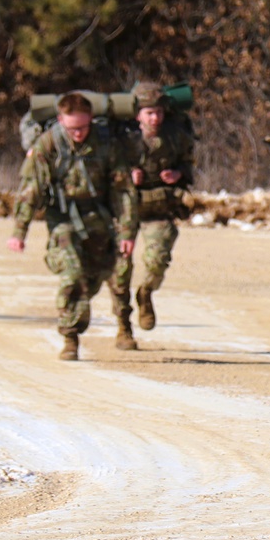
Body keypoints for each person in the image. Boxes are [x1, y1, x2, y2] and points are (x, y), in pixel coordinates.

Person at [7, 92, 138, 361]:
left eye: (83, 127)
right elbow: (31, 188)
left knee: (105, 274)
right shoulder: (49, 143)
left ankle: (119, 323)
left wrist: (127, 231)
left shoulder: (106, 144)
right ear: (59, 121)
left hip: (99, 216)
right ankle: (70, 337)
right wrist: (20, 231)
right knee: (72, 272)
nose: (78, 134)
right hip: (63, 218)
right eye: (71, 128)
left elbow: (122, 190)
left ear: (91, 119)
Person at [107, 82, 196, 344]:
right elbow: (102, 170)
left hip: (159, 207)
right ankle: (123, 325)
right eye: (148, 113)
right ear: (137, 115)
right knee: (120, 269)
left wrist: (178, 174)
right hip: (125, 208)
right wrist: (124, 175)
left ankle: (146, 292)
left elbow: (189, 163)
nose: (154, 118)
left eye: (158, 112)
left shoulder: (175, 136)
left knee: (157, 260)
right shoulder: (121, 138)